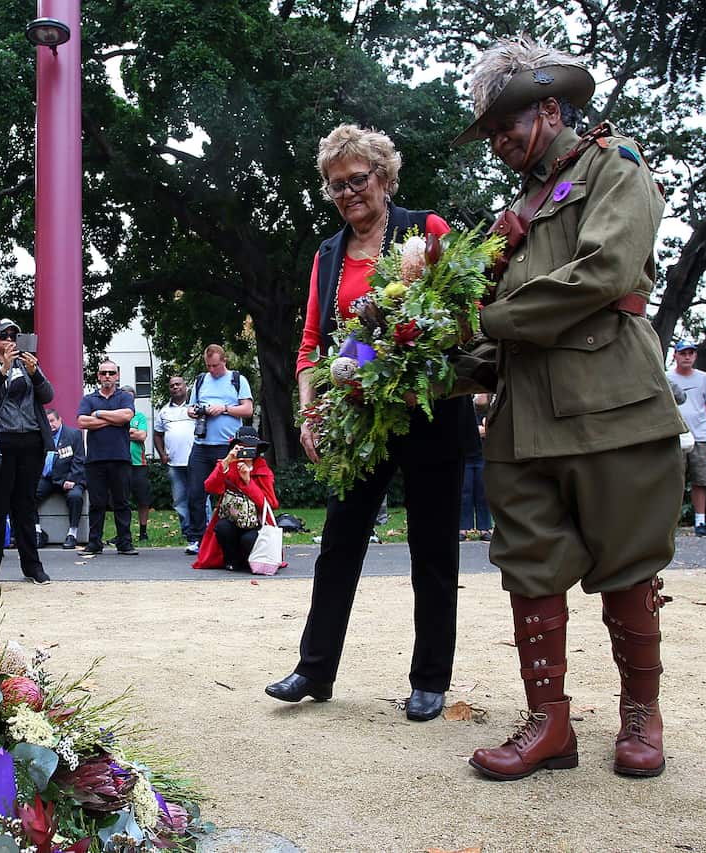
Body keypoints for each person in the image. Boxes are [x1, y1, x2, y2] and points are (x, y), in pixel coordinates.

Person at [453, 37, 686, 780]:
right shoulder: (511, 214)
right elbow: (493, 337)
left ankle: (640, 714)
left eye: (508, 126)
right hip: (521, 421)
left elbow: (606, 271)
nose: (499, 142)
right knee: (529, 568)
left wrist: (488, 321)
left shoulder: (614, 166)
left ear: (551, 110)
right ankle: (548, 722)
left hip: (609, 404)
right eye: (491, 133)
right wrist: (427, 367)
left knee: (628, 562)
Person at [265, 124, 463, 725]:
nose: (348, 193)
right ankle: (314, 669)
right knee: (339, 543)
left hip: (429, 411)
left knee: (432, 548)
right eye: (336, 185)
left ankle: (430, 679)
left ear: (384, 177)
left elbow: (462, 315)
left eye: (357, 180)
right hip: (359, 419)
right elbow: (310, 344)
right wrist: (311, 408)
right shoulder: (327, 255)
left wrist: (402, 348)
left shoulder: (425, 230)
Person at [0, 318, 54, 588]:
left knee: (25, 508)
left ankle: (33, 568)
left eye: (14, 335)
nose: (9, 340)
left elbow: (48, 395)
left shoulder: (26, 361)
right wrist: (2, 370)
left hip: (30, 441)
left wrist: (35, 373)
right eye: (3, 335)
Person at [185, 345, 254, 555]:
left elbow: (248, 409)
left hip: (227, 447)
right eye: (209, 366)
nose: (212, 370)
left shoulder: (237, 380)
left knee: (229, 492)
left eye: (215, 365)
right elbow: (190, 408)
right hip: (202, 445)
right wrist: (195, 411)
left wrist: (223, 408)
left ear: (224, 361)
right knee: (195, 493)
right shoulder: (200, 380)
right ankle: (197, 538)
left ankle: (227, 537)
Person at [191, 427, 277, 572]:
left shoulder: (262, 470)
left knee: (248, 538)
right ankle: (231, 561)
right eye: (243, 446)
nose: (247, 451)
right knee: (222, 527)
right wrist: (226, 461)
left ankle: (251, 561)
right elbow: (210, 487)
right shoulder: (229, 466)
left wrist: (248, 482)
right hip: (232, 519)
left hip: (256, 522)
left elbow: (270, 504)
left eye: (251, 447)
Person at [76, 360, 138, 556]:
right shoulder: (89, 398)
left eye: (111, 373)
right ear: (98, 376)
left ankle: (125, 543)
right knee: (97, 504)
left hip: (120, 458)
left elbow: (126, 416)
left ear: (117, 376)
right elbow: (82, 421)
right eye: (104, 373)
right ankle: (94, 543)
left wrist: (99, 414)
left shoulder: (124, 397)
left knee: (122, 502)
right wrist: (113, 420)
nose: (107, 376)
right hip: (95, 460)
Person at [667, 342, 706, 537]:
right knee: (673, 480)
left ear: (695, 356)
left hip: (700, 436)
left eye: (691, 353)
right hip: (675, 436)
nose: (687, 357)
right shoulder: (666, 377)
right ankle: (671, 523)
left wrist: (699, 423)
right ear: (675, 355)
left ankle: (700, 522)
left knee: (701, 480)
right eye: (683, 353)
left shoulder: (704, 378)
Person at [35, 408, 86, 549]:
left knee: (75, 497)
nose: (50, 425)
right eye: (46, 422)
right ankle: (37, 531)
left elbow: (79, 461)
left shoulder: (74, 435)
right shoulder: (40, 436)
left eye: (52, 421)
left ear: (60, 420)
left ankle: (72, 534)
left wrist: (71, 479)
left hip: (69, 478)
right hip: (47, 478)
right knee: (27, 495)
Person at [153, 375, 196, 541]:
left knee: (199, 498)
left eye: (178, 384)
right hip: (174, 464)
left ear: (185, 387)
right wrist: (162, 454)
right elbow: (157, 435)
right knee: (179, 500)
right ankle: (188, 532)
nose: (175, 387)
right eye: (172, 385)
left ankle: (202, 531)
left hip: (195, 462)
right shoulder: (164, 411)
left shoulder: (195, 408)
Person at [460, 394, 494, 541]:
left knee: (483, 493)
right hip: (467, 456)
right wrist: (477, 431)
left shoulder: (492, 406)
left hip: (484, 456)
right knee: (464, 492)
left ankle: (485, 528)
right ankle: (462, 528)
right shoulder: (466, 405)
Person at [123, 385, 153, 542]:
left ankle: (143, 532)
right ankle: (123, 533)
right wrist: (132, 432)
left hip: (138, 464)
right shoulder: (117, 416)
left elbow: (142, 436)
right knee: (122, 500)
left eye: (130, 397)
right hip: (121, 463)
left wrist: (124, 432)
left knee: (143, 499)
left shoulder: (139, 417)